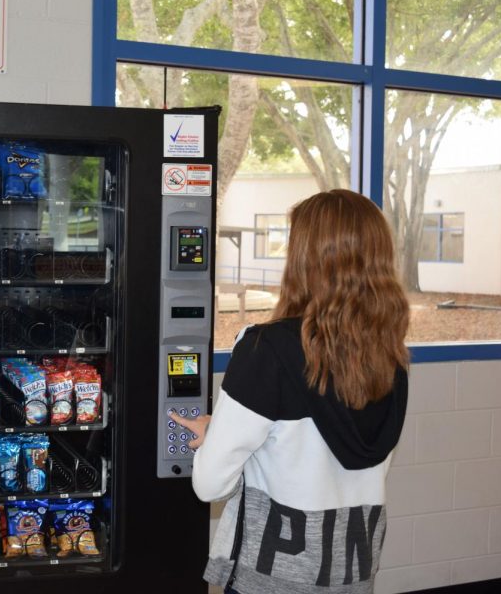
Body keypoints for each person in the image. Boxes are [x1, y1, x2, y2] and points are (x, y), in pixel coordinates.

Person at [171, 189, 409, 594]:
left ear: (305, 260)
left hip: (269, 581)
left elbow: (210, 485)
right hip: (351, 576)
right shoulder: (392, 357)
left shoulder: (266, 350)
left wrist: (216, 437)